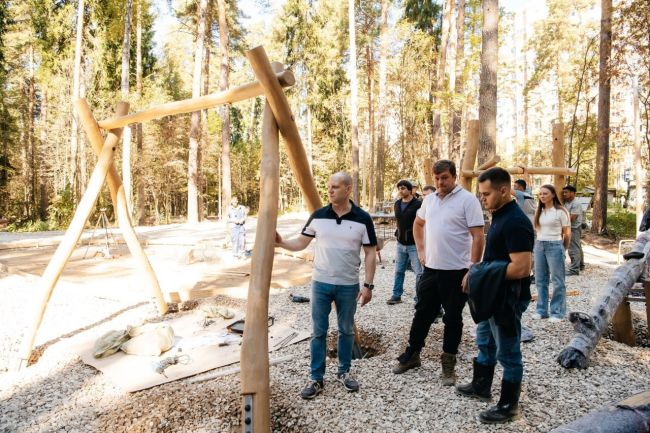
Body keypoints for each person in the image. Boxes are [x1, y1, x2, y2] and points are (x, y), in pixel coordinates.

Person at [275, 172, 377, 399]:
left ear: (348, 189)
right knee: (318, 332)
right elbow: (301, 242)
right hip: (320, 283)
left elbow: (370, 253)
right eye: (329, 186)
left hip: (348, 285)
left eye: (336, 187)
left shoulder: (363, 218)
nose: (330, 190)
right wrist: (281, 242)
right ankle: (316, 378)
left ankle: (344, 372)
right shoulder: (318, 216)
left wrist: (368, 285)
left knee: (346, 330)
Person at [392, 160, 484, 386]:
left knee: (452, 318)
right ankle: (412, 354)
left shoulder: (468, 200)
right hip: (431, 269)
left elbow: (478, 235)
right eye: (436, 178)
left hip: (457, 271)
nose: (440, 182)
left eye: (444, 177)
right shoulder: (429, 200)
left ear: (454, 177)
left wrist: (472, 267)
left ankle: (448, 363)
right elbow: (418, 224)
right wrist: (421, 250)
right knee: (422, 313)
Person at [456, 167, 534, 424]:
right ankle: (481, 386)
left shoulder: (516, 222)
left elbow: (522, 267)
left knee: (508, 352)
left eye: (486, 194)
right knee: (485, 343)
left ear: (504, 190)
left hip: (508, 298)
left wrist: (481, 274)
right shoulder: (499, 214)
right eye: (480, 194)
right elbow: (497, 258)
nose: (482, 199)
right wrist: (477, 271)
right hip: (493, 294)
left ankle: (509, 406)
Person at [533, 184, 571, 322]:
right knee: (540, 280)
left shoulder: (561, 211)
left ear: (553, 195)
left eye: (545, 194)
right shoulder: (539, 211)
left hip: (555, 245)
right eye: (541, 194)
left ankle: (557, 312)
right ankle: (541, 310)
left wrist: (563, 249)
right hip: (539, 245)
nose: (542, 196)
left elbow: (567, 233)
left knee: (557, 281)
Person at [387, 180, 423, 305]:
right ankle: (396, 295)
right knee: (398, 270)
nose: (400, 191)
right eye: (399, 188)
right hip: (400, 243)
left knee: (419, 272)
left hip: (414, 244)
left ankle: (419, 297)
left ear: (410, 189)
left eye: (403, 188)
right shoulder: (397, 204)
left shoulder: (418, 204)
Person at [562, 185, 585, 275]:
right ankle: (580, 265)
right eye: (563, 192)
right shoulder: (567, 202)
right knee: (577, 246)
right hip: (570, 227)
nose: (564, 194)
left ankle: (574, 269)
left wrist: (560, 225)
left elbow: (572, 217)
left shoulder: (576, 203)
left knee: (573, 248)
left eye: (566, 192)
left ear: (572, 193)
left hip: (574, 227)